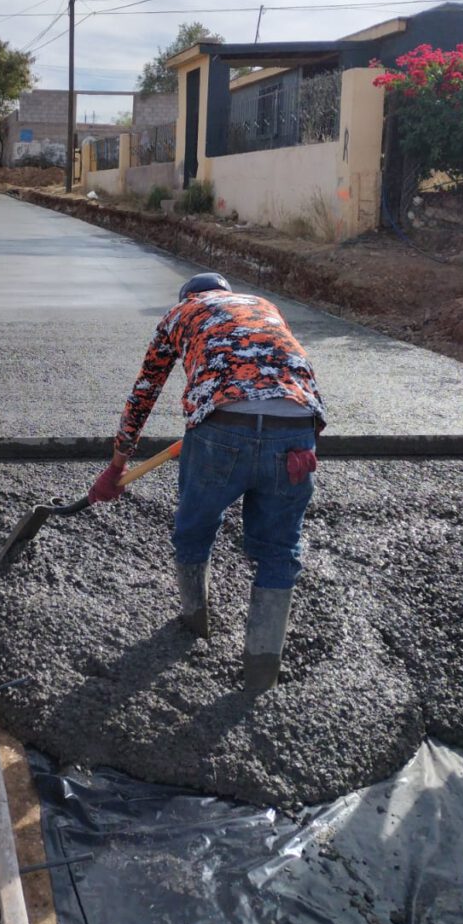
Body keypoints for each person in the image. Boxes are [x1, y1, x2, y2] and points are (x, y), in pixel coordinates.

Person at [88, 272, 326, 694]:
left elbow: (144, 392)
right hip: (297, 430)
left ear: (188, 297)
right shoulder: (264, 306)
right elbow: (291, 369)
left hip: (222, 426)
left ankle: (194, 620)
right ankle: (261, 675)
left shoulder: (180, 313)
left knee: (194, 527)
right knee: (279, 549)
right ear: (225, 293)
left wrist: (117, 464)